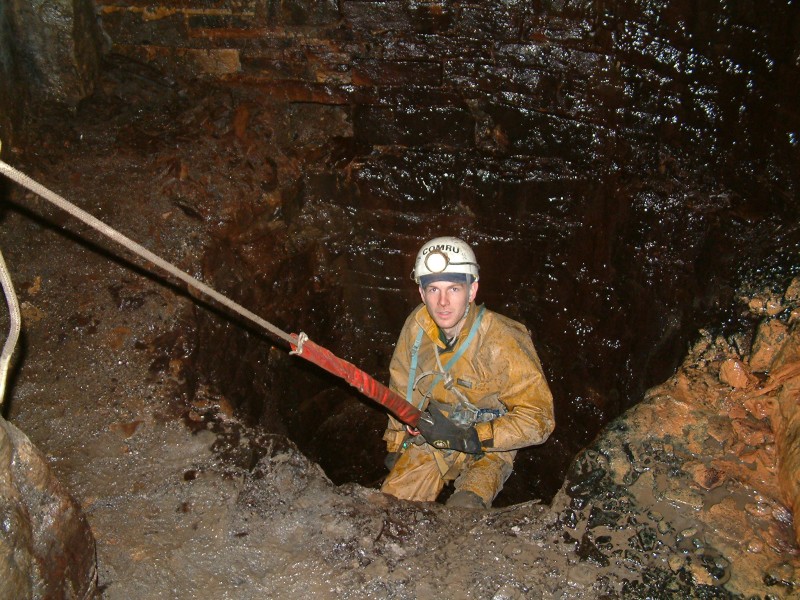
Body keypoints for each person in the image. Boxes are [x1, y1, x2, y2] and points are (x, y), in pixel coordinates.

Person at [381, 236, 555, 509]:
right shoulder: (417, 328)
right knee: (391, 509)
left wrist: (474, 436)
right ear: (422, 293)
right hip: (435, 435)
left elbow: (539, 419)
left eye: (454, 289)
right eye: (433, 289)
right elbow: (402, 384)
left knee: (463, 514)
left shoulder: (502, 338)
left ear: (472, 290)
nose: (443, 302)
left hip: (490, 444)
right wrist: (396, 442)